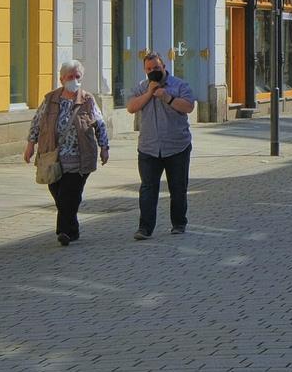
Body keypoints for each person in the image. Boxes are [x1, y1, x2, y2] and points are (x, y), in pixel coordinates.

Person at [23, 59, 110, 246]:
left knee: (69, 194)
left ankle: (64, 231)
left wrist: (104, 148)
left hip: (80, 157)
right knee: (57, 192)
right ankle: (73, 228)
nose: (74, 80)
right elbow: (36, 122)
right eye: (70, 77)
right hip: (52, 157)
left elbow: (100, 125)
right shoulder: (51, 99)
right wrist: (31, 145)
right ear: (62, 79)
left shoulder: (87, 100)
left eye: (78, 77)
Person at [127, 50, 197, 239]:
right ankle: (145, 228)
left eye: (156, 68)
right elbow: (131, 107)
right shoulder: (141, 88)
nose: (153, 71)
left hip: (177, 146)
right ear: (144, 70)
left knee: (178, 188)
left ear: (164, 67)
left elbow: (189, 107)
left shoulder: (179, 85)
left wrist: (168, 98)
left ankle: (179, 224)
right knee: (148, 188)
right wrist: (150, 92)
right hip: (149, 147)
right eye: (149, 69)